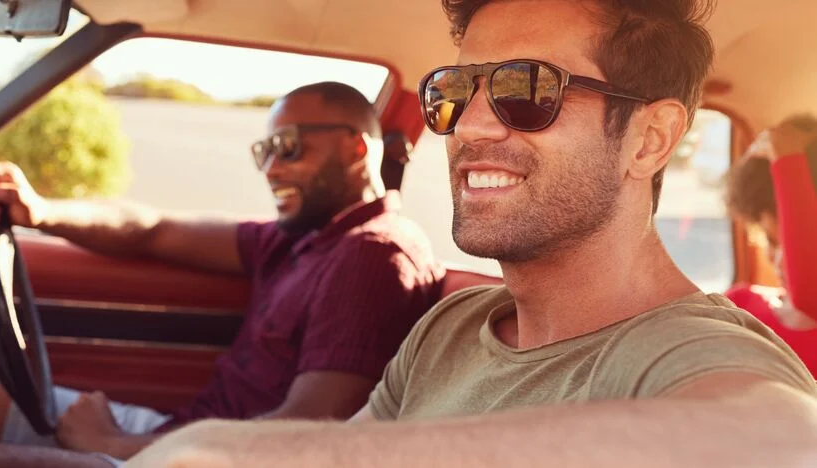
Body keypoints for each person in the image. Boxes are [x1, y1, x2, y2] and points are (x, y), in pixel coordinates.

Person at [118, 1, 817, 466]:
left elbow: (786, 441)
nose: (472, 126)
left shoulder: (685, 352)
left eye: (527, 89)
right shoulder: (452, 326)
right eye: (454, 92)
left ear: (649, 139)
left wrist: (228, 454)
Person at [0, 81, 445, 468]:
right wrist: (43, 212)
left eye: (288, 148)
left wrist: (120, 444)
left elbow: (310, 434)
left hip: (203, 456)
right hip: (185, 431)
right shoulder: (298, 239)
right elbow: (154, 229)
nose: (270, 168)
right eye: (263, 150)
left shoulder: (371, 257)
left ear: (357, 147)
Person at [724, 114, 817, 372]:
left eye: (795, 237)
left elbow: (809, 292)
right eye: (771, 240)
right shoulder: (739, 304)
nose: (780, 260)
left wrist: (787, 158)